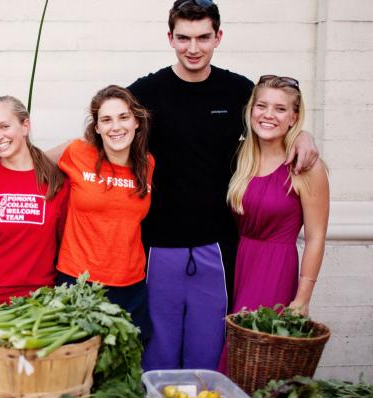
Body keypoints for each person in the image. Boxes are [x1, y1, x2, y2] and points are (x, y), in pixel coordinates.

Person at [129, 0, 321, 370]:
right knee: (159, 355)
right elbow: (103, 126)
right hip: (157, 244)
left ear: (218, 37)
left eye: (203, 37)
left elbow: (274, 116)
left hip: (217, 247)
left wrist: (304, 135)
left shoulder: (238, 92)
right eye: (183, 38)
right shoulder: (146, 92)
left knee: (209, 355)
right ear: (170, 38)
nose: (193, 47)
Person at [218, 76, 329, 370]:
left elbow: (316, 237)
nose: (268, 115)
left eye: (280, 109)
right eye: (262, 105)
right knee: (229, 352)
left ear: (294, 117)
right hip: (234, 266)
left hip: (274, 269)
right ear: (250, 110)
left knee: (254, 358)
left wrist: (302, 300)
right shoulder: (239, 156)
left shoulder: (306, 167)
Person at [54, 86, 154, 342]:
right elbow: (28, 164)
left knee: (121, 365)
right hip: (78, 280)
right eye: (106, 120)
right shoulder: (76, 152)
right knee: (77, 366)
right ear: (96, 127)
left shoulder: (147, 164)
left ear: (136, 121)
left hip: (130, 283)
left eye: (123, 117)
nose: (116, 127)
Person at [0, 95, 68, 314]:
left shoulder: (57, 183)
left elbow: (63, 246)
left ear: (25, 125)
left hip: (37, 306)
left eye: (4, 126)